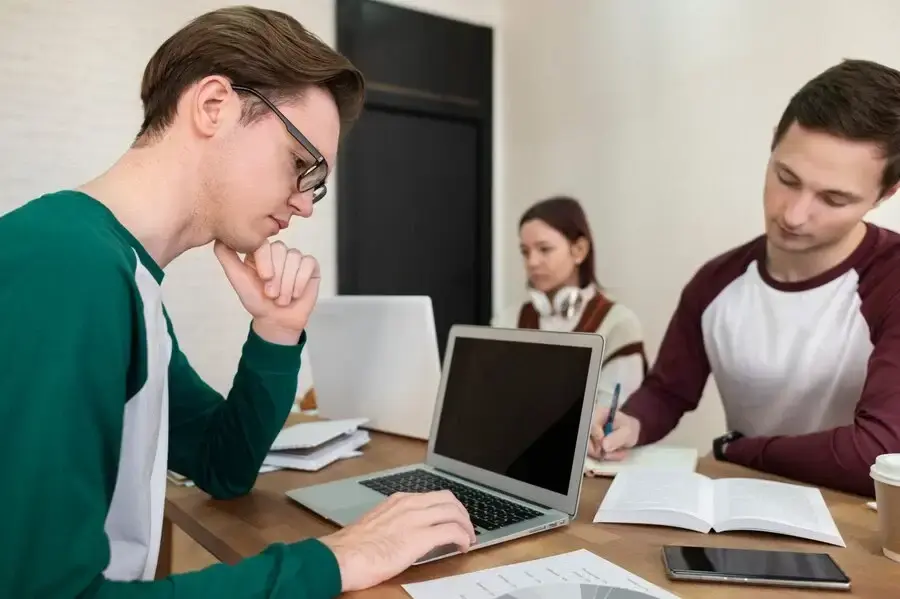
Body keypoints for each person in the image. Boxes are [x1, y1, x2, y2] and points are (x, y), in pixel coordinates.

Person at [0, 6, 475, 598]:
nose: (306, 205)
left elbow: (222, 465)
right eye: (301, 164)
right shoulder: (66, 269)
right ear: (213, 106)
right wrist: (332, 561)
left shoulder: (121, 274)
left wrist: (276, 330)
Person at [589, 58, 900, 498]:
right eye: (786, 178)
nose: (792, 215)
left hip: (862, 526)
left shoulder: (891, 282)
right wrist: (630, 421)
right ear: (772, 145)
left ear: (885, 194)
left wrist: (740, 450)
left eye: (833, 199)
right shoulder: (715, 281)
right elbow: (668, 391)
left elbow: (877, 454)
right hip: (748, 505)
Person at [493, 196, 647, 402]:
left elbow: (611, 415)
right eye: (525, 251)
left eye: (544, 249)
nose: (532, 261)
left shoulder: (618, 325)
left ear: (579, 250)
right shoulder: (507, 321)